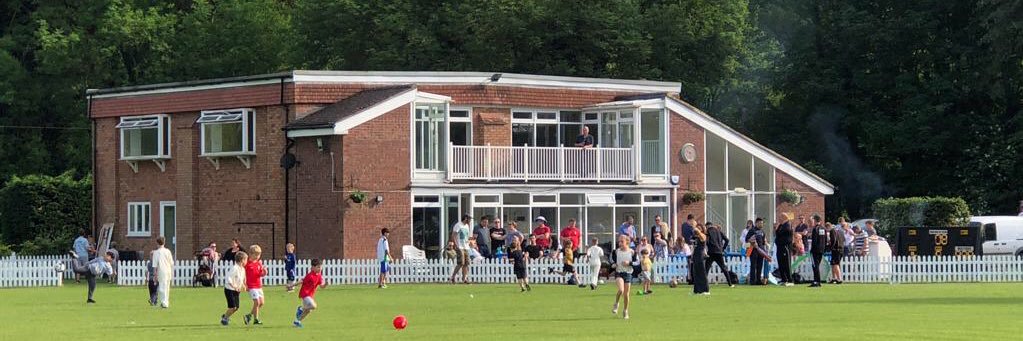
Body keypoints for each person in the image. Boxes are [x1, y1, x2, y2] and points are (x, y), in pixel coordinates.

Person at [293, 259, 327, 328]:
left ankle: (297, 321)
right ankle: (301, 309)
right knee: (313, 306)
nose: (320, 269)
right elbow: (301, 281)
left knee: (308, 311)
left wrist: (325, 284)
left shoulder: (319, 276)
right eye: (318, 267)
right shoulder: (309, 275)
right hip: (305, 294)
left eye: (320, 267)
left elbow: (321, 287)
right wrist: (292, 285)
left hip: (310, 296)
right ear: (313, 267)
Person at [611, 235, 636, 320]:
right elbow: (612, 261)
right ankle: (616, 303)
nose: (620, 243)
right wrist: (613, 265)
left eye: (622, 241)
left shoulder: (632, 252)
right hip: (619, 273)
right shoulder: (616, 252)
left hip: (628, 273)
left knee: (626, 294)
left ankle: (625, 311)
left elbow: (637, 262)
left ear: (627, 242)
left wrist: (629, 263)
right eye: (619, 242)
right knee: (621, 290)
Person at [221, 251, 248, 326]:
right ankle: (225, 319)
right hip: (229, 290)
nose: (247, 261)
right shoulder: (234, 268)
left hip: (236, 290)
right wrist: (234, 286)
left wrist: (244, 285)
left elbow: (242, 279)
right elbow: (228, 278)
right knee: (232, 307)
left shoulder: (242, 269)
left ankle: (225, 315)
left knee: (236, 307)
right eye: (246, 259)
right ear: (242, 260)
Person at [704, 222, 734, 287]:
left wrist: (707, 247)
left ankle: (704, 284)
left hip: (711, 252)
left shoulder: (708, 231)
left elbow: (707, 241)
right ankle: (730, 284)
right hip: (719, 252)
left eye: (706, 227)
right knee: (724, 268)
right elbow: (727, 240)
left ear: (707, 226)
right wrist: (723, 248)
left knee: (706, 268)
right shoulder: (719, 231)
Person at [244, 244, 268, 325]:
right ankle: (256, 319)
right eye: (256, 254)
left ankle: (249, 316)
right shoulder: (247, 264)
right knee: (257, 302)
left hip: (258, 286)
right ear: (250, 254)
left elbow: (260, 274)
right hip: (251, 286)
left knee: (261, 303)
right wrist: (245, 285)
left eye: (259, 255)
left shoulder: (258, 263)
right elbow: (243, 275)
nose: (258, 256)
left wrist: (264, 272)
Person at [151, 237, 174, 308]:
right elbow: (171, 263)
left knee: (162, 288)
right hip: (168, 271)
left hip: (161, 271)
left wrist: (155, 275)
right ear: (164, 243)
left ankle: (164, 303)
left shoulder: (156, 252)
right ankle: (166, 302)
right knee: (167, 287)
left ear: (157, 243)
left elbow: (155, 266)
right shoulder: (168, 251)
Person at [449, 215, 472, 284]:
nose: (470, 221)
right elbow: (453, 235)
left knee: (466, 263)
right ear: (465, 219)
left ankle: (464, 279)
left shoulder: (467, 226)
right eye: (469, 219)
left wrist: (469, 241)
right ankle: (453, 277)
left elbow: (466, 236)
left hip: (466, 246)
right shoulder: (458, 225)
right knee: (461, 263)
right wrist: (456, 245)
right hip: (460, 246)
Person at [775, 212, 795, 286]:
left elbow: (783, 233)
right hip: (779, 246)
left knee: (786, 263)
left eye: (780, 217)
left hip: (785, 246)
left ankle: (790, 280)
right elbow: (777, 233)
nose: (779, 219)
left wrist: (778, 230)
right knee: (781, 263)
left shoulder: (787, 225)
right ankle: (784, 279)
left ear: (784, 218)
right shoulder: (781, 225)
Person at [808, 215, 828, 287]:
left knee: (815, 266)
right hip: (821, 249)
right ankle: (817, 281)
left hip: (815, 250)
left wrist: (812, 250)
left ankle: (816, 281)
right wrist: (824, 248)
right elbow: (825, 240)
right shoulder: (823, 228)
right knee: (817, 265)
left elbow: (814, 240)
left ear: (815, 220)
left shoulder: (815, 229)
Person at [747, 218, 768, 285]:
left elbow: (763, 242)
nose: (761, 224)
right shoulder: (752, 230)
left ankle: (758, 280)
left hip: (761, 250)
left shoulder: (762, 232)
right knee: (753, 266)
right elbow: (747, 239)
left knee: (760, 266)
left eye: (762, 223)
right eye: (760, 223)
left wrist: (764, 250)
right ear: (756, 223)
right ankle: (752, 281)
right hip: (753, 250)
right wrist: (752, 242)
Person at [692, 224, 710, 294]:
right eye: (697, 228)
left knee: (702, 273)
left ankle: (706, 290)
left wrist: (697, 230)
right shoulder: (696, 238)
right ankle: (697, 290)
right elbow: (694, 247)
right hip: (696, 255)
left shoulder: (703, 236)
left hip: (700, 255)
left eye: (699, 228)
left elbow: (702, 237)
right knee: (696, 273)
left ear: (702, 229)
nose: (697, 229)